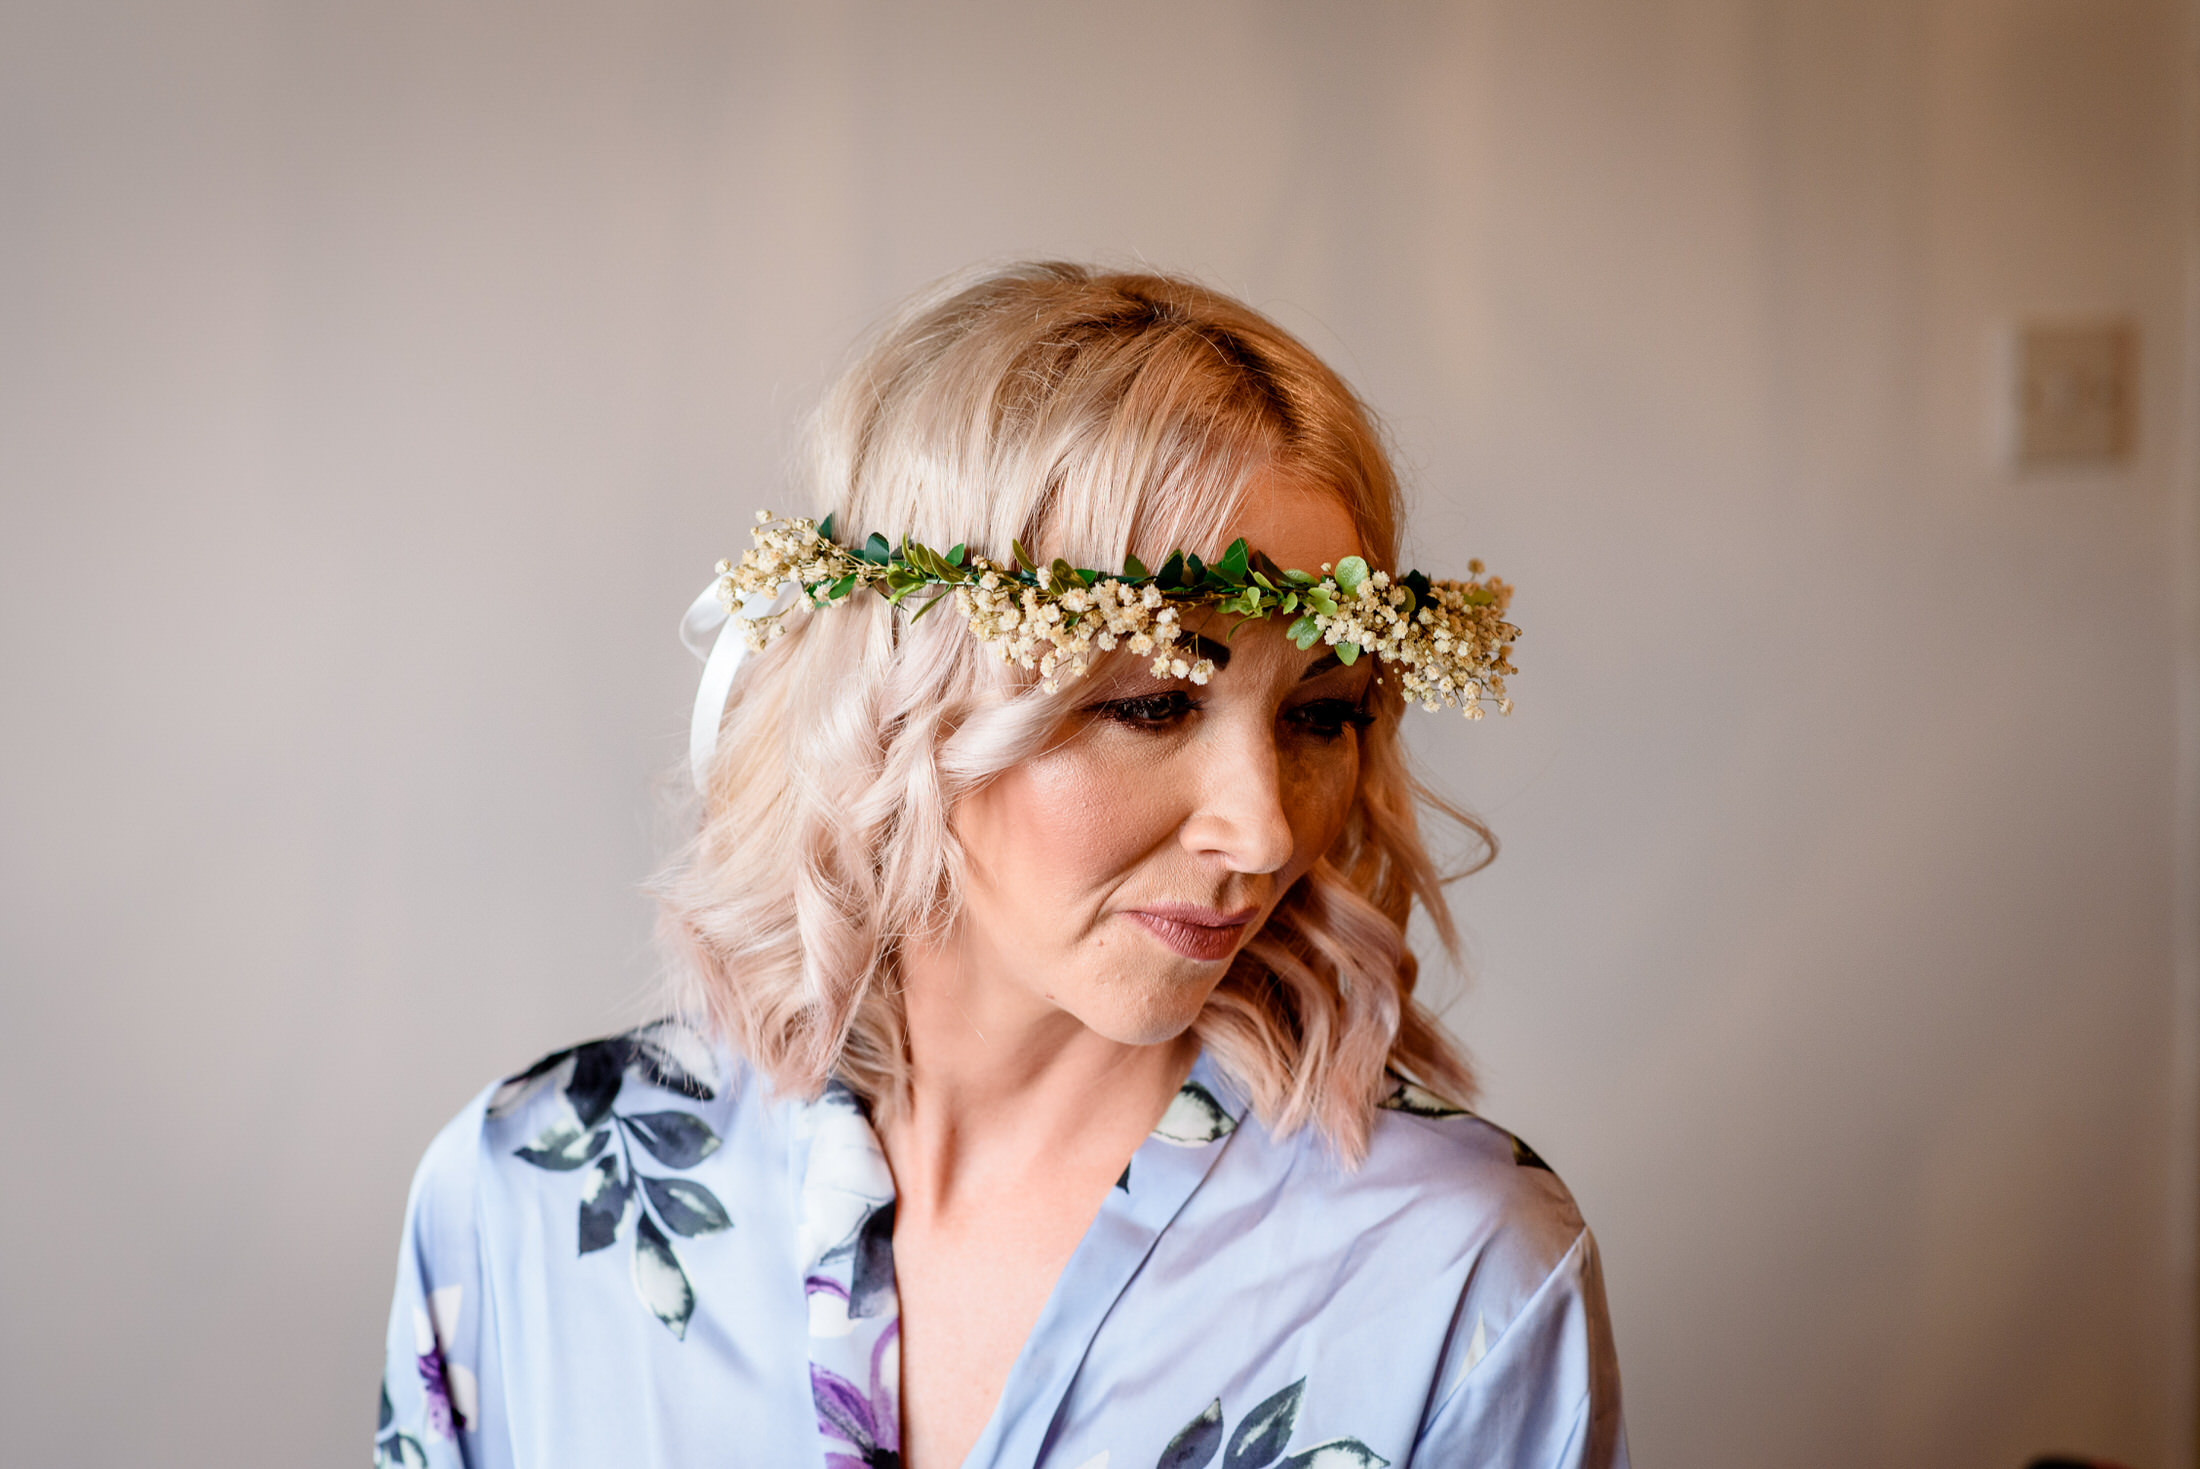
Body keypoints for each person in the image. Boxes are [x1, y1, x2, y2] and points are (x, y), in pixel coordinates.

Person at [375, 263, 1627, 1469]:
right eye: (1149, 706)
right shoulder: (529, 1200)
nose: (1262, 833)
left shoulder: (1453, 1283)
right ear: (905, 705)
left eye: (1320, 713)